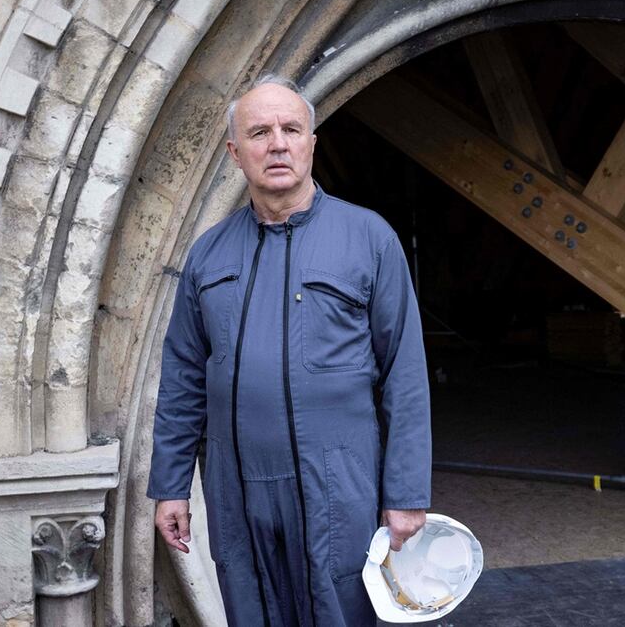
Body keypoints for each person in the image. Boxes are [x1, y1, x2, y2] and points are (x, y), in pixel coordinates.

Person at [146, 72, 432, 626]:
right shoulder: (208, 254)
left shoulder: (369, 239)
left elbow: (405, 375)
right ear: (235, 151)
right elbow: (182, 376)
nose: (277, 143)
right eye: (259, 132)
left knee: (340, 608)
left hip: (338, 483)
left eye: (290, 129)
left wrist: (406, 491)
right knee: (251, 608)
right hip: (236, 486)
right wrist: (171, 486)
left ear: (311, 143)